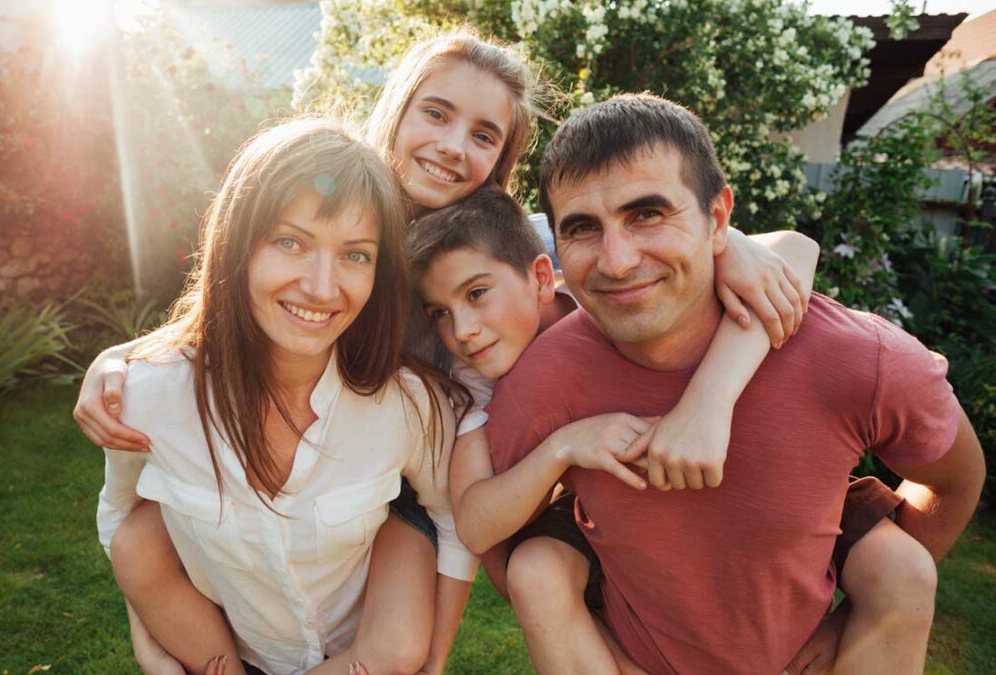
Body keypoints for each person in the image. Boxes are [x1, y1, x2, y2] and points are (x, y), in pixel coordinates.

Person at [79, 32, 817, 674]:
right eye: (436, 113)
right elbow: (232, 306)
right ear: (396, 112)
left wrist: (740, 255)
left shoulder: (497, 236)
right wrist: (115, 360)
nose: (453, 145)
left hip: (442, 473)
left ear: (502, 160)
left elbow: (794, 248)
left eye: (484, 134)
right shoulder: (329, 207)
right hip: (361, 466)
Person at [480, 93, 985, 675]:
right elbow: (491, 529)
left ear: (718, 218)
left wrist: (860, 617)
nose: (617, 261)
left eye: (647, 213)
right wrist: (591, 642)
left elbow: (955, 476)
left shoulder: (855, 355)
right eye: (583, 228)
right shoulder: (544, 379)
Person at [97, 119, 473, 675]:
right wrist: (152, 641)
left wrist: (434, 658)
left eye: (355, 255)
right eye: (290, 242)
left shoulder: (407, 407)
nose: (322, 288)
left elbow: (450, 520)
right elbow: (123, 519)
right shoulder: (147, 397)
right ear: (236, 246)